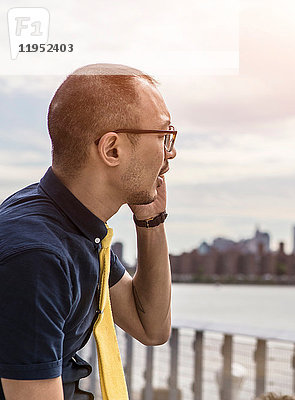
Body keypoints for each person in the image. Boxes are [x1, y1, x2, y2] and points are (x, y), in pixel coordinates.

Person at [0, 63, 177, 399]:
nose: (170, 153)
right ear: (112, 150)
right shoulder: (38, 258)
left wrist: (150, 221)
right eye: (163, 135)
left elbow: (150, 326)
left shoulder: (73, 228)